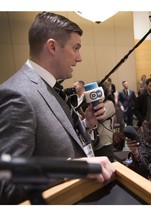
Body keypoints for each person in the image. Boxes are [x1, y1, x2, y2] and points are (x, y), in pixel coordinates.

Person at [0, 12, 115, 204]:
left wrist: (85, 124)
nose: (79, 58)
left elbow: (54, 139)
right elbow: (6, 183)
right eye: (75, 48)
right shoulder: (17, 94)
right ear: (52, 46)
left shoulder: (50, 86)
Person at [93, 82, 116, 162]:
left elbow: (99, 118)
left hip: (105, 141)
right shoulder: (92, 106)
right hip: (94, 141)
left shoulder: (109, 104)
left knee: (108, 165)